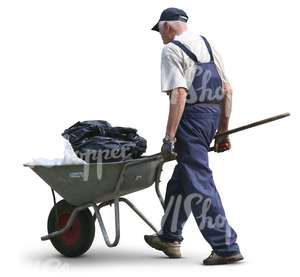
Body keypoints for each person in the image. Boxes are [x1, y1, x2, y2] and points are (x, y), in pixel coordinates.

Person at [144, 7, 243, 265]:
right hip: (210, 119)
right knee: (181, 181)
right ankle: (170, 236)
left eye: (159, 31)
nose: (161, 36)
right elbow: (227, 90)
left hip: (190, 122)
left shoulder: (171, 50)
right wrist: (222, 131)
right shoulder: (208, 46)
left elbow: (179, 94)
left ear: (166, 26)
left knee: (199, 182)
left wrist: (169, 138)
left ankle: (225, 246)